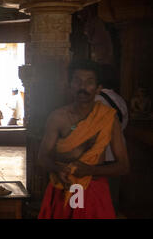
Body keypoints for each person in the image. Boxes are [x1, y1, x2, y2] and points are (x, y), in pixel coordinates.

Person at [38, 60, 130, 219]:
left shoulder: (108, 118)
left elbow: (123, 166)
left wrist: (89, 170)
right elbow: (42, 158)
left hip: (94, 189)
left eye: (89, 82)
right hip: (63, 186)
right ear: (69, 85)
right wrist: (59, 170)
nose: (83, 87)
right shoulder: (57, 118)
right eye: (77, 81)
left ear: (98, 88)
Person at [95, 64, 129, 214]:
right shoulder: (119, 99)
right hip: (118, 153)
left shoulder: (96, 100)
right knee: (111, 201)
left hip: (102, 158)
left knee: (98, 202)